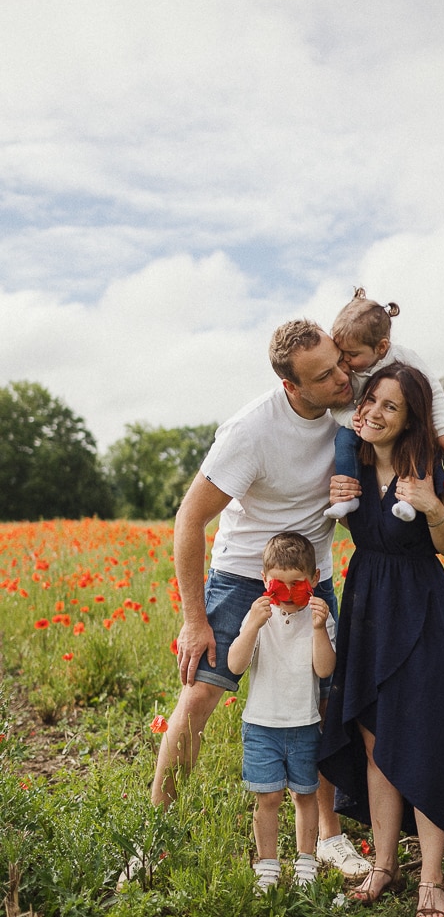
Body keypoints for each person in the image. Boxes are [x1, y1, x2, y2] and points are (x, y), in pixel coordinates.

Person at [132, 320, 370, 881]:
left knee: (325, 703)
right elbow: (189, 519)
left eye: (340, 362)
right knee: (197, 699)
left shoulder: (352, 396)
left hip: (315, 578)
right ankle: (152, 836)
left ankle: (330, 837)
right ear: (293, 387)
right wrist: (195, 620)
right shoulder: (252, 431)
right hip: (245, 575)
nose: (341, 377)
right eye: (324, 375)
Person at [318, 362, 444, 917]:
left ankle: (431, 877)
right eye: (371, 401)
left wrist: (434, 506)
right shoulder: (352, 463)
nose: (374, 413)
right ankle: (384, 864)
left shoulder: (433, 467)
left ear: (411, 417)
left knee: (425, 734)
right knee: (373, 739)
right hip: (367, 601)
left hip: (419, 606)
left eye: (391, 407)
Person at [228, 533, 336, 891]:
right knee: (268, 797)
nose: (288, 593)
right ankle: (268, 865)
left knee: (305, 795)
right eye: (279, 584)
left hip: (305, 724)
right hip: (261, 724)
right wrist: (253, 626)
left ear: (314, 580)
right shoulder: (259, 617)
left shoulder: (320, 619)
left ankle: (306, 863)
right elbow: (235, 663)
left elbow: (324, 669)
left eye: (298, 584)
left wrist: (319, 629)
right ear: (264, 581)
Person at [323, 287, 444, 523]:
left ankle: (408, 500)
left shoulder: (403, 358)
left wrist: (443, 429)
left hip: (406, 425)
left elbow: (433, 390)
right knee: (342, 440)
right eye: (340, 353)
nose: (344, 360)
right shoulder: (350, 373)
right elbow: (336, 406)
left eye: (351, 354)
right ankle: (347, 496)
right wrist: (350, 418)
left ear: (382, 347)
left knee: (418, 447)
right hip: (363, 425)